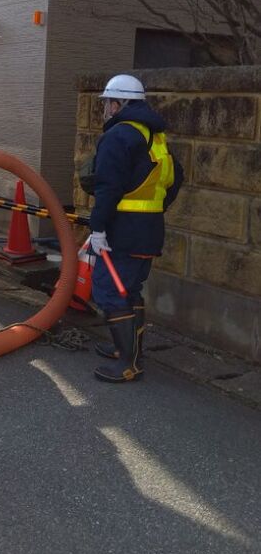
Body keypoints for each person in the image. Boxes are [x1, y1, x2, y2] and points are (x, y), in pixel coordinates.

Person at [88, 74, 183, 383]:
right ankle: (127, 351)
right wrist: (156, 209)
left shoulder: (118, 137)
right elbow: (175, 178)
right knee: (130, 290)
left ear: (119, 104)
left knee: (109, 291)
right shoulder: (154, 136)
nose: (104, 109)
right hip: (149, 229)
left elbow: (107, 187)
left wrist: (98, 228)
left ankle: (127, 364)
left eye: (107, 103)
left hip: (122, 233)